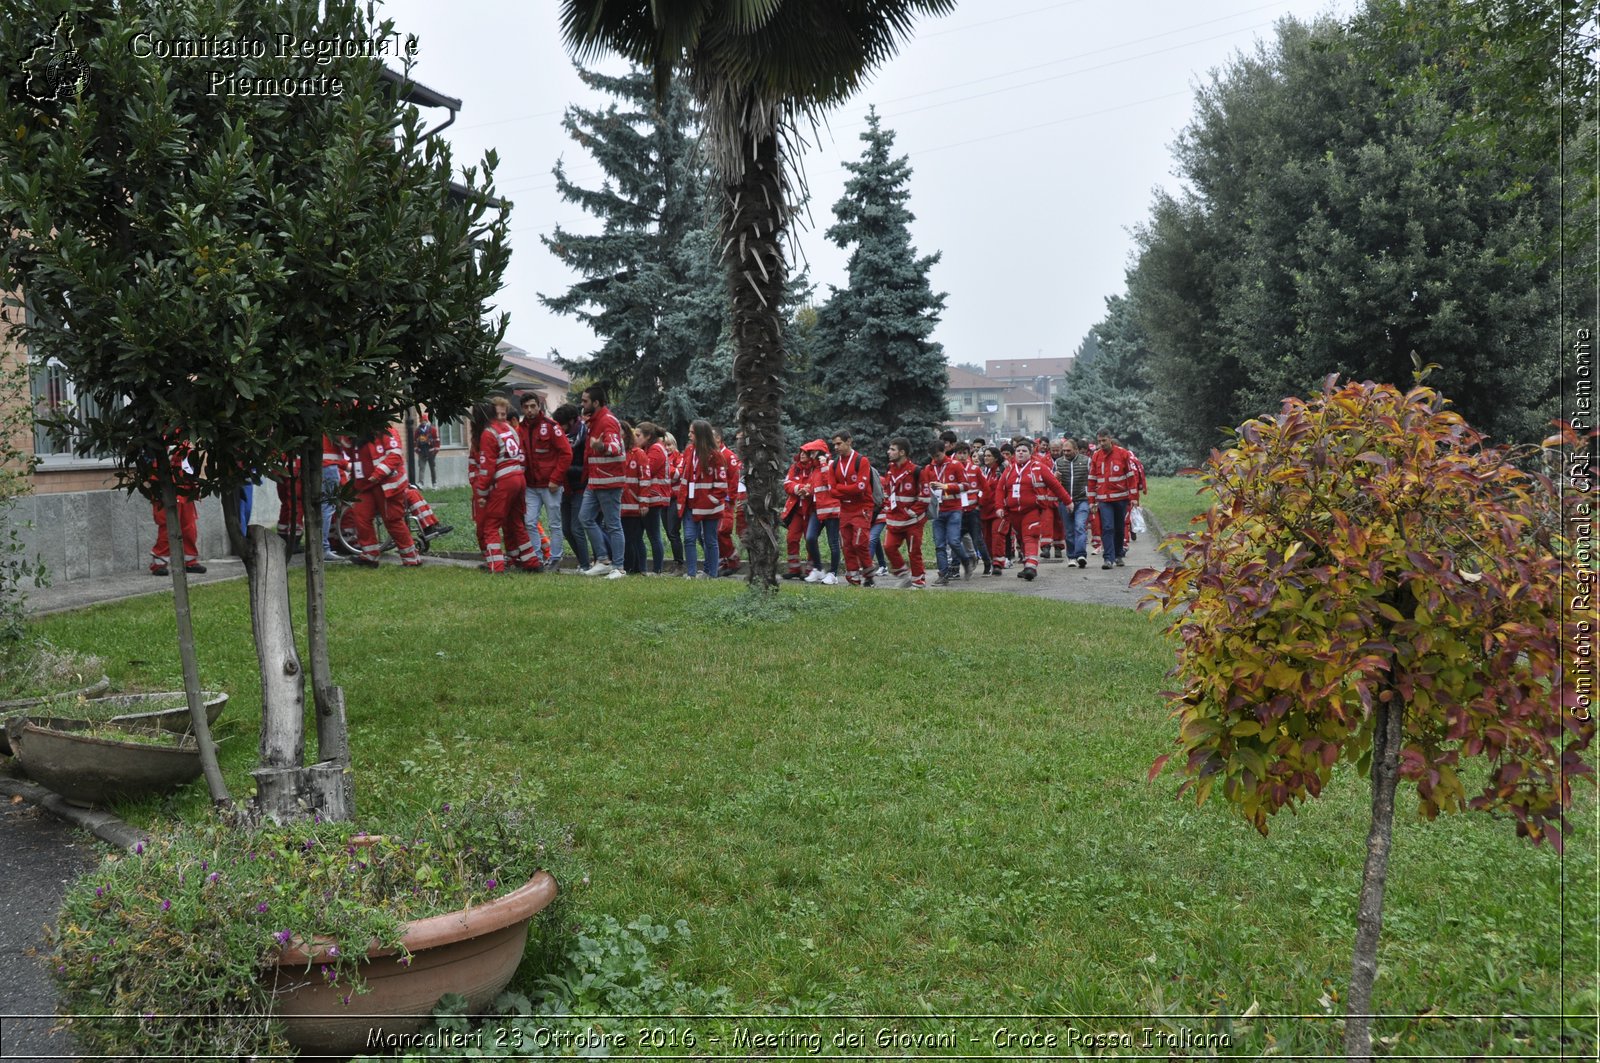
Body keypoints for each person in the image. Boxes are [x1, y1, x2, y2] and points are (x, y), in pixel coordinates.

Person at [471, 396, 539, 574]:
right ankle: (531, 561)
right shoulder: (509, 428)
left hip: (504, 481)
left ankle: (496, 566)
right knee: (517, 521)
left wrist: (482, 494)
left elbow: (487, 468)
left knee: (491, 524)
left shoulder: (488, 432)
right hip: (519, 478)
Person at [350, 424, 422, 568]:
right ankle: (370, 556)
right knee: (360, 517)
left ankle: (411, 558)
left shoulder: (388, 431)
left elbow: (395, 456)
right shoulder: (357, 435)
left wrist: (377, 474)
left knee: (393, 520)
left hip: (387, 485)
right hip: (366, 485)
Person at [997, 438, 1068, 582]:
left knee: (1031, 535)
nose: (1021, 453)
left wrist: (1068, 501)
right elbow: (1000, 489)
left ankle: (1031, 566)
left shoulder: (1039, 467)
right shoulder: (1009, 470)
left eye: (1024, 451)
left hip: (1032, 510)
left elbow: (1055, 485)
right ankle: (1026, 565)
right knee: (1022, 538)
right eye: (1018, 451)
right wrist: (999, 507)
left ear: (1030, 453)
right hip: (1013, 512)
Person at [578, 385, 627, 578]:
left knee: (613, 524)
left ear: (596, 403)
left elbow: (615, 447)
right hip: (596, 480)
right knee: (585, 517)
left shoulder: (607, 421)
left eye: (585, 401)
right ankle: (604, 560)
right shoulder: (594, 421)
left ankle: (619, 567)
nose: (582, 404)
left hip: (610, 482)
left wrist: (601, 446)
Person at [520, 391, 571, 572]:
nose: (530, 410)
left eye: (533, 406)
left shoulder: (551, 426)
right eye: (526, 407)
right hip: (531, 486)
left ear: (539, 406)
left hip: (551, 486)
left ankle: (555, 559)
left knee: (554, 524)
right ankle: (537, 559)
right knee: (529, 521)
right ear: (522, 409)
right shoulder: (521, 428)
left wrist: (556, 479)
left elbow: (566, 453)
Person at [147, 442, 205, 576]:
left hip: (185, 484)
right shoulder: (161, 432)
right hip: (166, 484)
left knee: (189, 526)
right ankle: (159, 562)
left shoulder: (187, 432)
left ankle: (189, 560)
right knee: (167, 524)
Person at [921, 442, 975, 585]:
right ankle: (943, 574)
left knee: (953, 541)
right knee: (939, 544)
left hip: (954, 510)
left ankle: (966, 561)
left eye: (938, 456)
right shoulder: (928, 468)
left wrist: (947, 487)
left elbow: (966, 485)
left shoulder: (955, 465)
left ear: (943, 451)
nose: (936, 459)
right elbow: (924, 489)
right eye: (933, 457)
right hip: (937, 512)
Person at [680, 418, 726, 578]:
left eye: (692, 432)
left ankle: (711, 574)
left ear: (700, 434)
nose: (689, 435)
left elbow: (721, 484)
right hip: (691, 504)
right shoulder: (688, 451)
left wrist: (712, 500)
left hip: (710, 506)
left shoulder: (715, 456)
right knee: (689, 538)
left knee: (710, 540)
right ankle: (691, 574)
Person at [880, 437, 927, 588]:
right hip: (894, 519)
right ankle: (902, 574)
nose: (889, 452)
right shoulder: (890, 469)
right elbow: (887, 491)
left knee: (914, 551)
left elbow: (925, 496)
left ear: (902, 452)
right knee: (888, 547)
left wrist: (913, 512)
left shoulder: (917, 471)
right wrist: (887, 506)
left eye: (892, 449)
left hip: (912, 521)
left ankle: (918, 580)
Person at [830, 430, 875, 586]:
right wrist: (848, 489)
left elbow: (861, 487)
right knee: (847, 545)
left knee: (859, 543)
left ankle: (869, 574)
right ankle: (853, 578)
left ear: (849, 441)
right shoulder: (834, 464)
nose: (836, 447)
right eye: (834, 444)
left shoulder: (861, 461)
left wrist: (841, 488)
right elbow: (831, 490)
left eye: (839, 443)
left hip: (862, 508)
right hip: (845, 509)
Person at [1089, 429, 1138, 569]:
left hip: (1121, 499)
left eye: (1104, 440)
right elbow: (1091, 480)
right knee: (1107, 527)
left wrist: (1134, 497)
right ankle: (1108, 559)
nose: (1101, 444)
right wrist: (1092, 501)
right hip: (1104, 500)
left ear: (1110, 439)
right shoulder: (1096, 456)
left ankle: (1118, 555)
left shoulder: (1123, 454)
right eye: (1099, 441)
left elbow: (1130, 477)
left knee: (1119, 528)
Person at [554, 403, 590, 572]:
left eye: (561, 424)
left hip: (580, 487)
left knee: (576, 528)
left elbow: (585, 466)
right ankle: (582, 561)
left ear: (571, 421)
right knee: (566, 529)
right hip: (565, 488)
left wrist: (564, 468)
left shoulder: (583, 437)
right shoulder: (563, 438)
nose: (559, 429)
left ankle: (585, 564)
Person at [803, 439, 841, 585]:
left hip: (831, 510)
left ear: (820, 451)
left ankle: (833, 573)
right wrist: (806, 490)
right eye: (810, 452)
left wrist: (824, 464)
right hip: (818, 510)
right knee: (810, 538)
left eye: (813, 451)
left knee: (833, 543)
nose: (811, 455)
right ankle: (818, 569)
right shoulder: (814, 469)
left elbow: (829, 483)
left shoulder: (830, 465)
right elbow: (815, 488)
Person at [781, 444, 818, 579]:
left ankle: (810, 570)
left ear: (811, 455)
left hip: (810, 511)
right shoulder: (794, 467)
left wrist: (808, 491)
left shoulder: (815, 468)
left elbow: (817, 484)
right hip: (796, 510)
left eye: (805, 453)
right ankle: (794, 569)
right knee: (791, 538)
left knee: (810, 540)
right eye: (801, 452)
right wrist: (799, 488)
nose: (802, 454)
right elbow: (787, 484)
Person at [638, 421, 670, 575]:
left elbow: (645, 470)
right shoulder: (649, 448)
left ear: (648, 436)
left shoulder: (656, 450)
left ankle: (657, 569)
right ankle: (643, 568)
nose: (635, 438)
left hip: (654, 497)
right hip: (649, 496)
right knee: (645, 534)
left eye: (638, 435)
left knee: (653, 535)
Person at [1057, 437, 1091, 567]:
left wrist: (1092, 498)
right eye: (1064, 451)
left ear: (1076, 450)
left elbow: (1092, 479)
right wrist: (1055, 477)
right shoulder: (1058, 463)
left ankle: (1081, 554)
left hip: (1082, 499)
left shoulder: (1086, 461)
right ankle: (1071, 556)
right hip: (1065, 501)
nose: (1065, 453)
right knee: (1069, 530)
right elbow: (1054, 482)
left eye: (1068, 451)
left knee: (1080, 526)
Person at [620, 421, 647, 575]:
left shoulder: (638, 453)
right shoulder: (617, 452)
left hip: (633, 503)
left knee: (632, 539)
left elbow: (644, 479)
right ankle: (632, 568)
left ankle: (635, 569)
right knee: (626, 538)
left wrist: (643, 502)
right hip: (620, 504)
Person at [977, 445, 1007, 575]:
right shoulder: (985, 471)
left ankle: (998, 564)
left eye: (989, 456)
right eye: (985, 456)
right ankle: (991, 560)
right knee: (987, 538)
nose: (986, 458)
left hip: (998, 511)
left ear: (995, 458)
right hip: (985, 511)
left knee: (997, 536)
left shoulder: (1001, 471)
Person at [661, 431, 685, 573]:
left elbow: (677, 475)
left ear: (674, 444)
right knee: (669, 532)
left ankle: (680, 564)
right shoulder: (663, 458)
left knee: (673, 531)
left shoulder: (680, 457)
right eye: (664, 446)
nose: (667, 448)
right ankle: (677, 562)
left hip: (675, 499)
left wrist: (664, 465)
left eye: (669, 445)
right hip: (663, 499)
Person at [414, 412, 440, 487]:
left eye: (424, 420)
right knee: (421, 467)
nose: (423, 422)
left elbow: (437, 440)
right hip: (421, 451)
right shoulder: (417, 430)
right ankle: (421, 483)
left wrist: (435, 450)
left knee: (432, 467)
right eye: (422, 420)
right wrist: (417, 450)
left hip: (430, 451)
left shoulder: (432, 429)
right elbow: (415, 441)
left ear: (427, 421)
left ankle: (434, 483)